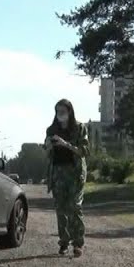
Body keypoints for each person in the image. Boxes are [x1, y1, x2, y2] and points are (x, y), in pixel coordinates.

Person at [45, 99, 89, 257]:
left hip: (75, 173)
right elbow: (47, 151)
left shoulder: (79, 128)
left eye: (63, 111)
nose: (60, 115)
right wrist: (49, 145)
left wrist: (66, 144)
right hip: (57, 173)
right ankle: (64, 242)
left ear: (70, 112)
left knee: (75, 207)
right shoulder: (51, 129)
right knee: (60, 208)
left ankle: (78, 243)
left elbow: (84, 151)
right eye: (57, 111)